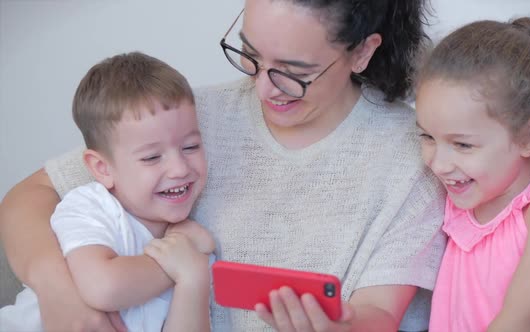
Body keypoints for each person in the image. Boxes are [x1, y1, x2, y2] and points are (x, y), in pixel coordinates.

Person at [0, 0, 446, 331]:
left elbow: (378, 315)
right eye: (251, 55)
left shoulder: (417, 154)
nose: (264, 88)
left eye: (293, 70)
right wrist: (58, 291)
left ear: (362, 53)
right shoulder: (193, 120)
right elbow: (28, 198)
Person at [0, 52, 214, 332]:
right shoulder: (90, 206)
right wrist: (178, 267)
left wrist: (193, 280)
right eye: (151, 157)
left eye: (190, 147)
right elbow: (103, 287)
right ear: (102, 168)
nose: (179, 168)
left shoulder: (192, 245)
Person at [414, 17, 530, 331]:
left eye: (463, 144)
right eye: (427, 137)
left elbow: (523, 322)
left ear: (529, 135)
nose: (438, 163)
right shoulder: (463, 198)